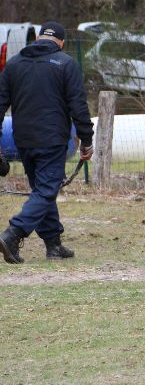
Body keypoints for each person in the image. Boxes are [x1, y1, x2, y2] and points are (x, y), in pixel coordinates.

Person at [0, 22, 94, 263]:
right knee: (46, 190)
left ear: (39, 37)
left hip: (23, 139)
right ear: (61, 42)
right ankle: (13, 233)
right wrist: (86, 140)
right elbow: (78, 106)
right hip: (51, 139)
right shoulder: (66, 64)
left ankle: (53, 244)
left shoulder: (13, 64)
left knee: (43, 190)